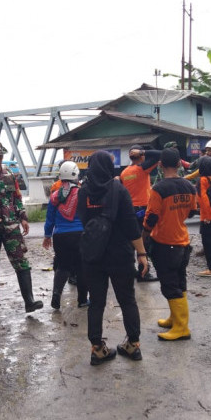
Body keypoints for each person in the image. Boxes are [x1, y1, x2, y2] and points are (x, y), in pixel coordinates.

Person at [77, 151, 148, 365]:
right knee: (127, 300)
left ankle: (97, 349)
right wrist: (142, 254)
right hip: (120, 255)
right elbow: (131, 227)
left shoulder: (83, 192)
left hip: (93, 256)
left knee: (96, 303)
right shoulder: (119, 190)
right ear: (109, 166)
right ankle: (133, 346)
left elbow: (84, 221)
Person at [0, 142, 43, 314]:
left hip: (11, 226)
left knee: (21, 261)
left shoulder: (10, 175)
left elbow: (17, 198)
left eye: (0, 156)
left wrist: (23, 217)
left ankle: (29, 301)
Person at [143, 148, 197, 341]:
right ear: (179, 164)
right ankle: (175, 318)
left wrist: (144, 237)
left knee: (170, 285)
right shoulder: (190, 186)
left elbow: (152, 217)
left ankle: (182, 328)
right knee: (179, 281)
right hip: (182, 240)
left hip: (166, 242)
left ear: (160, 165)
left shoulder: (159, 189)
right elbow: (192, 212)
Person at [42, 161, 88, 310]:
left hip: (60, 236)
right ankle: (82, 300)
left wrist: (47, 235)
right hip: (79, 234)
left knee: (62, 267)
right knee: (82, 267)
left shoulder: (55, 195)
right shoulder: (82, 192)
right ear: (76, 174)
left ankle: (56, 295)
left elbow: (49, 219)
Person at [119, 144, 162, 282]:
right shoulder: (142, 169)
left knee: (132, 241)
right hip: (143, 210)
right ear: (141, 156)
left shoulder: (124, 173)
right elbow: (161, 154)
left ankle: (130, 271)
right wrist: (144, 151)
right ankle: (144, 272)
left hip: (129, 210)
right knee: (144, 242)